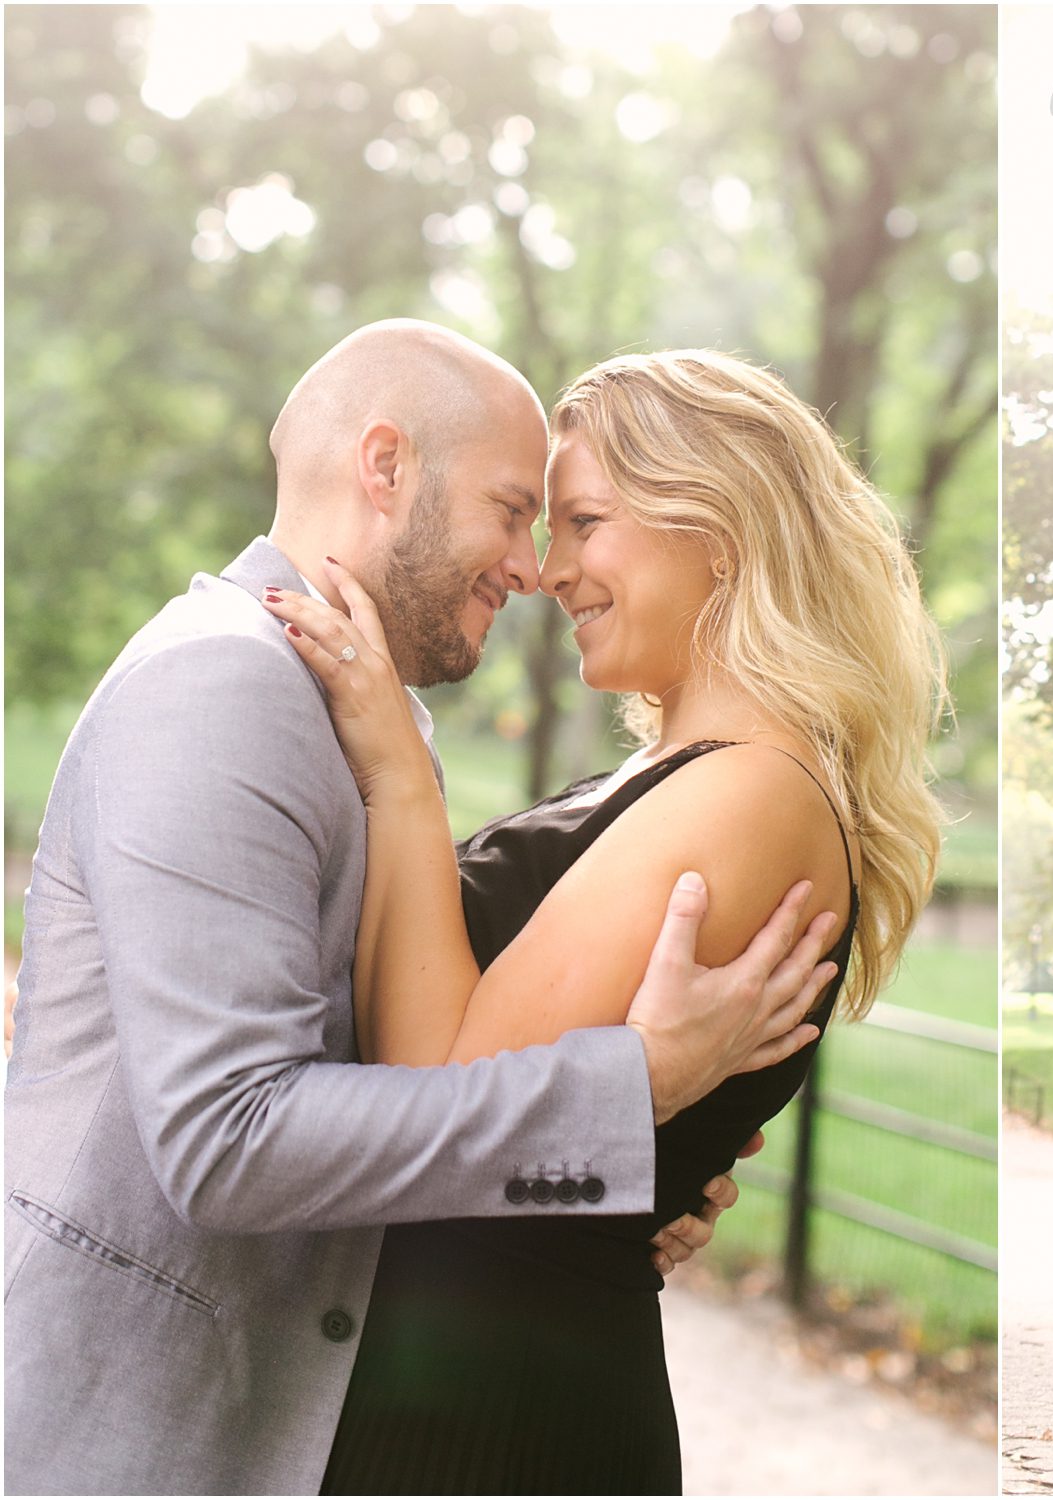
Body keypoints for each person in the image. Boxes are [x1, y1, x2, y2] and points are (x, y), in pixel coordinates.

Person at [3, 322, 837, 1495]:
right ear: (385, 468)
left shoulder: (367, 713)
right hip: (143, 1418)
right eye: (512, 509)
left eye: (567, 524)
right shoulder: (224, 680)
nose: (530, 565)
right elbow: (229, 1136)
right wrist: (621, 1101)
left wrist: (632, 1176)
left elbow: (360, 1049)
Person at [264, 346, 946, 1491]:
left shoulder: (755, 793)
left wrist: (396, 764)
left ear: (715, 527)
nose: (545, 569)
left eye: (582, 522)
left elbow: (440, 1077)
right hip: (460, 1377)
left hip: (495, 1421)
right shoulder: (691, 774)